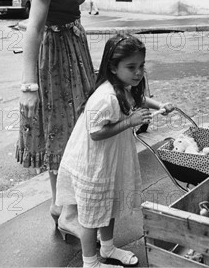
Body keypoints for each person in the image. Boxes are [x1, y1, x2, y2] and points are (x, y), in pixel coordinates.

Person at [16, 0, 107, 235]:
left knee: (78, 128)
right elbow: (33, 27)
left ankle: (64, 205)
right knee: (62, 132)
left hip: (74, 48)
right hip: (53, 56)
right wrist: (28, 85)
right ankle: (63, 209)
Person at [56, 34, 175, 268]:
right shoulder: (105, 97)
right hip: (93, 163)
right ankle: (90, 263)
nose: (138, 72)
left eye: (141, 65)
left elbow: (139, 98)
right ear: (113, 67)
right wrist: (129, 122)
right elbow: (95, 132)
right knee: (90, 217)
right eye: (131, 67)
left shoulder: (124, 85)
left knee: (109, 205)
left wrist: (160, 105)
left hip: (110, 159)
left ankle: (108, 247)